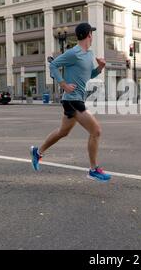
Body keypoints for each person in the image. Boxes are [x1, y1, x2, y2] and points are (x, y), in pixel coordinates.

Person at [30, 22, 111, 182]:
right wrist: (63, 84)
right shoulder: (73, 53)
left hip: (76, 98)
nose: (92, 36)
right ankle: (93, 169)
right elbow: (53, 65)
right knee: (96, 131)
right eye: (91, 33)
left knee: (63, 132)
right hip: (72, 99)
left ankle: (38, 152)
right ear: (89, 35)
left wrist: (100, 68)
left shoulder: (89, 54)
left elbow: (87, 76)